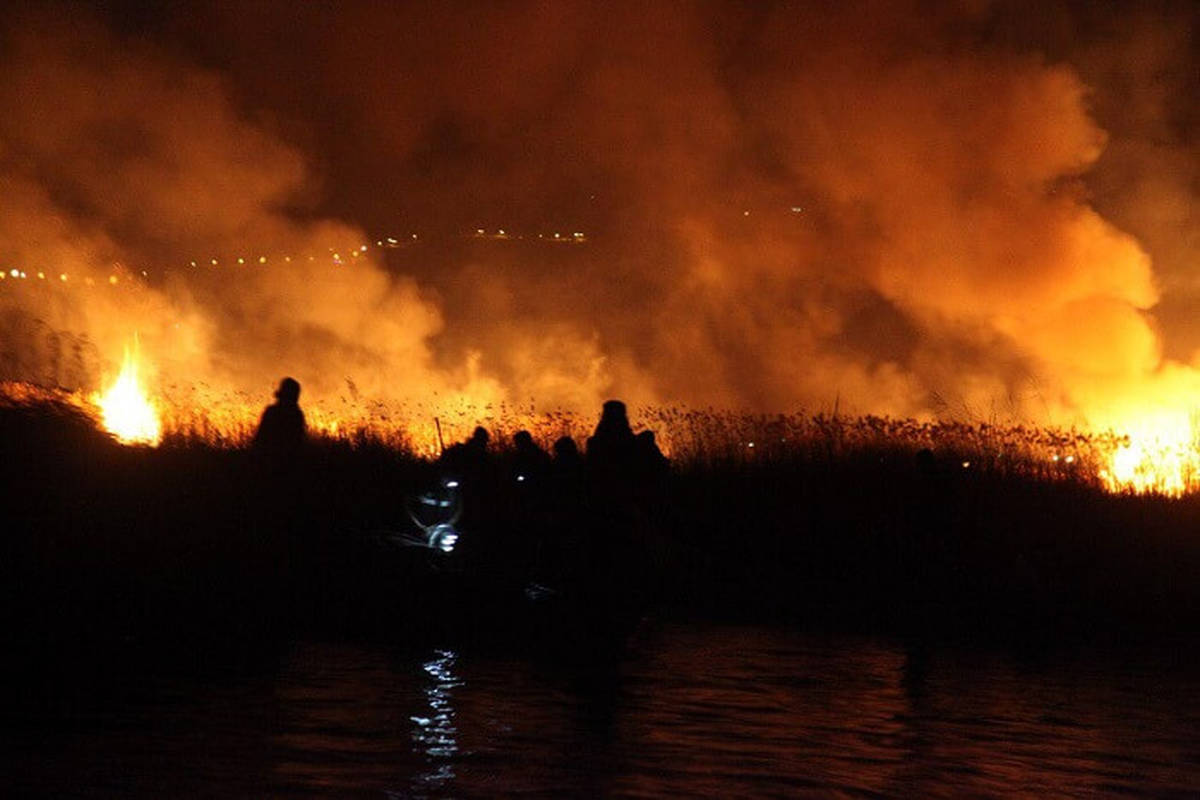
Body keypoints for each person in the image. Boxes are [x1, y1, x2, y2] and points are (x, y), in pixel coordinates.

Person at [252, 377, 306, 454]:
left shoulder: (271, 412)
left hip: (269, 455)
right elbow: (299, 440)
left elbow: (261, 437)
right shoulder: (297, 415)